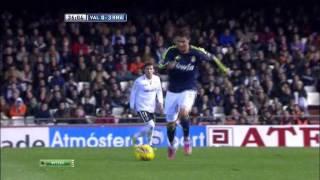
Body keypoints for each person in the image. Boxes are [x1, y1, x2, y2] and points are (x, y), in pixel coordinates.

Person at [159, 27, 230, 159]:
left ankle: (186, 139)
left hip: (189, 88)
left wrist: (224, 69)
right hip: (172, 90)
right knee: (170, 124)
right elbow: (161, 65)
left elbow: (213, 58)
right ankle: (172, 144)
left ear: (188, 41)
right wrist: (168, 65)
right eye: (178, 42)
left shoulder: (196, 52)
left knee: (184, 111)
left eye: (183, 42)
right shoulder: (171, 51)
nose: (181, 45)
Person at [130, 62, 164, 146]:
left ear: (153, 70)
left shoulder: (157, 79)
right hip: (141, 107)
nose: (149, 71)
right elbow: (133, 93)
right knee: (151, 125)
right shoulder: (139, 81)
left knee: (151, 127)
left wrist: (161, 103)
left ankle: (148, 144)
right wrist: (132, 106)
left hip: (152, 107)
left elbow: (159, 92)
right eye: (147, 69)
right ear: (144, 70)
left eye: (151, 69)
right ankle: (140, 138)